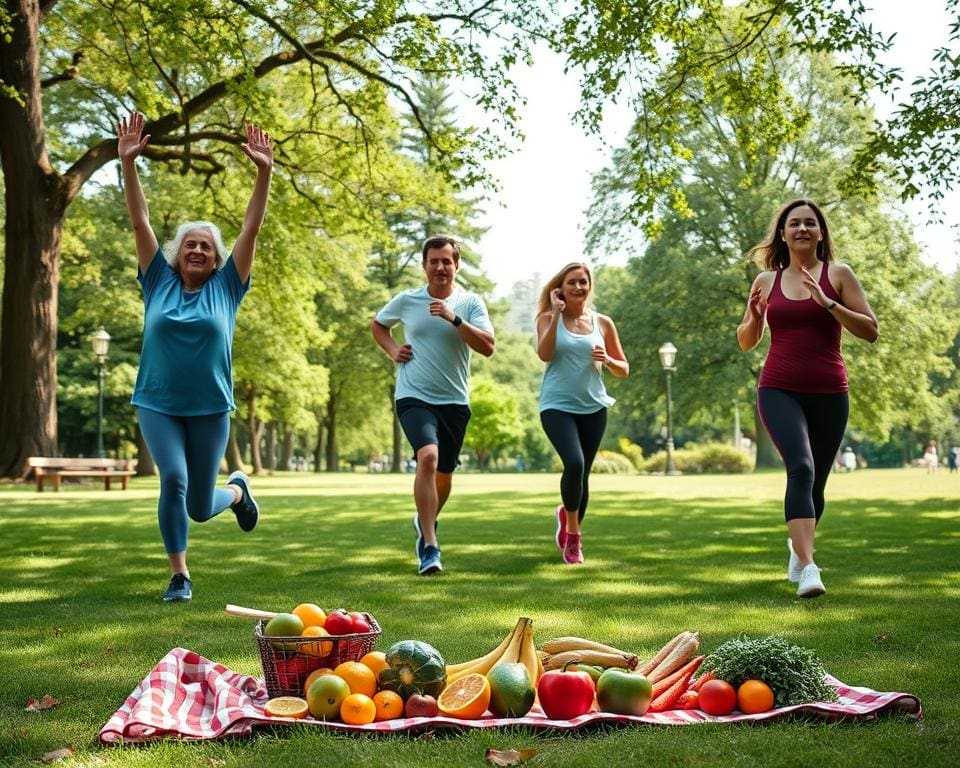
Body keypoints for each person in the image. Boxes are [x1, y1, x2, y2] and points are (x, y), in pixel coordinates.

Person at [118, 112, 272, 602]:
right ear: (176, 252)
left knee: (202, 507)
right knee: (175, 480)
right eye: (191, 244)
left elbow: (250, 228)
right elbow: (139, 220)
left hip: (210, 405)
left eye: (207, 245)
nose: (199, 250)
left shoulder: (228, 288)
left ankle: (237, 492)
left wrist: (263, 171)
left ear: (217, 256)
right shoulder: (157, 281)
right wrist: (128, 165)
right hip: (157, 402)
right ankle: (180, 575)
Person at [737, 199, 878, 598]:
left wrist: (829, 304)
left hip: (830, 392)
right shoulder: (766, 280)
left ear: (820, 232)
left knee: (816, 484)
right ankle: (811, 568)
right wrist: (753, 316)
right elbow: (748, 342)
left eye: (810, 223)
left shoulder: (839, 274)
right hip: (778, 387)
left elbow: (870, 331)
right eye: (794, 223)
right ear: (782, 233)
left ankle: (799, 552)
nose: (802, 229)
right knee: (801, 468)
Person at [371, 236, 495, 575]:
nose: (440, 267)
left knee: (444, 474)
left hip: (454, 401)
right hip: (413, 396)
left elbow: (487, 347)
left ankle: (425, 520)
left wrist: (454, 319)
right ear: (424, 265)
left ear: (456, 265)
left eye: (446, 261)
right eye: (433, 261)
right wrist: (393, 350)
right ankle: (429, 545)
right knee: (428, 456)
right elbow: (379, 325)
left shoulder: (470, 303)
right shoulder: (408, 300)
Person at [535, 263, 629, 564]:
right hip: (556, 405)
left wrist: (609, 359)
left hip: (594, 406)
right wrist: (556, 313)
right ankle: (573, 538)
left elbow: (624, 369)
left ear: (590, 286)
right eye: (572, 282)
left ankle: (567, 516)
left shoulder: (603, 323)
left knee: (583, 474)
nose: (578, 287)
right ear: (560, 289)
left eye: (583, 282)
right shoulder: (548, 319)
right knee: (574, 464)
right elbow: (545, 354)